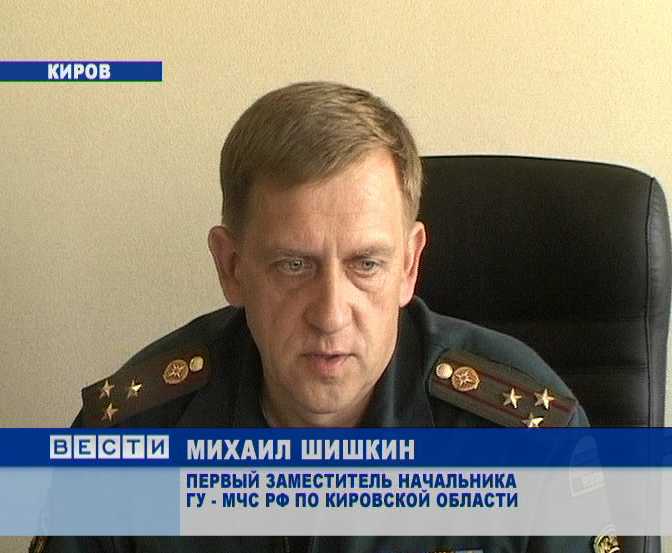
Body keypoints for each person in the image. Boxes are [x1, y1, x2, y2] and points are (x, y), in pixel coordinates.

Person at [33, 81, 611, 553]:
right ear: (233, 267)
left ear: (409, 265)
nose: (331, 315)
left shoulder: (529, 437)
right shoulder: (128, 439)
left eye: (366, 264)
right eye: (294, 265)